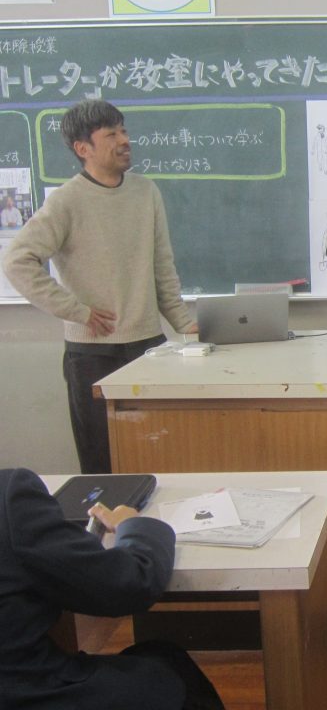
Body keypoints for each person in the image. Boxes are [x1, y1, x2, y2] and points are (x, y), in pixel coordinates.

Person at [2, 100, 196, 475]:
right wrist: (77, 311)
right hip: (92, 355)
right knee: (102, 464)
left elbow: (162, 265)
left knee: (159, 455)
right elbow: (16, 261)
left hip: (149, 346)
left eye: (124, 130)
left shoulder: (145, 192)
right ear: (83, 148)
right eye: (111, 134)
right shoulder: (66, 201)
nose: (124, 140)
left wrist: (184, 324)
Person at [0, 467, 224, 709]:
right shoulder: (10, 496)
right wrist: (135, 525)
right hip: (34, 693)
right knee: (169, 667)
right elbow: (131, 584)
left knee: (159, 656)